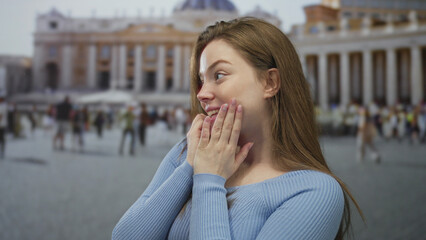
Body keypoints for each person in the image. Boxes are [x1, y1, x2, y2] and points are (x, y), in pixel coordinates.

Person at [112, 18, 363, 240]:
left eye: (219, 75)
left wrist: (209, 179)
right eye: (201, 80)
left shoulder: (315, 191)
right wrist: (190, 166)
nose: (202, 94)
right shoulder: (186, 152)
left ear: (270, 82)